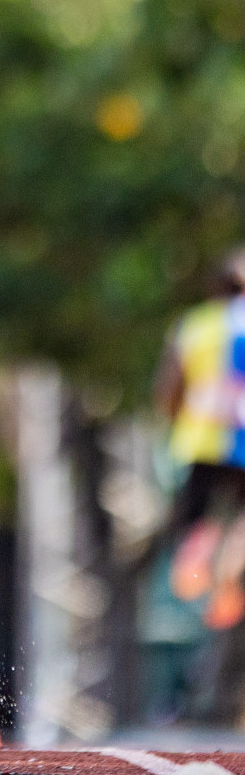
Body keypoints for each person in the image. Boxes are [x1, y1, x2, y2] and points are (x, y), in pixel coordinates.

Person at [153, 251, 245, 721]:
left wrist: (174, 422)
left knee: (197, 529)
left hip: (204, 444)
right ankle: (228, 577)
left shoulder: (198, 325)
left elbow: (169, 389)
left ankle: (206, 572)